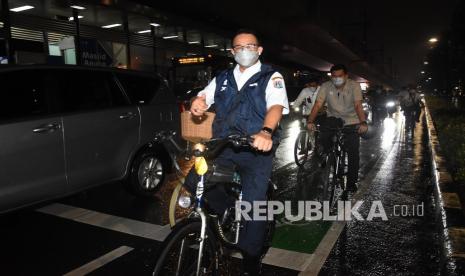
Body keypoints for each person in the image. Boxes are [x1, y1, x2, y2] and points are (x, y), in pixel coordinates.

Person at [190, 29, 289, 275]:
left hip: (256, 148)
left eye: (250, 46)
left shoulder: (271, 76)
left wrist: (266, 132)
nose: (245, 50)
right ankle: (227, 208)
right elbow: (204, 96)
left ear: (259, 50)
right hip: (223, 143)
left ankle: (252, 256)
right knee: (194, 181)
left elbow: (276, 106)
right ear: (233, 52)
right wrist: (198, 102)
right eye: (239, 47)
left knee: (254, 206)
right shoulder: (223, 77)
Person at [307, 64, 368, 192]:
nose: (336, 79)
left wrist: (363, 122)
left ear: (346, 76)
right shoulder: (326, 86)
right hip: (333, 119)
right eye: (334, 76)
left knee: (353, 152)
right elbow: (318, 104)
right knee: (323, 135)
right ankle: (327, 154)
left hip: (352, 120)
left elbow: (358, 105)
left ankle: (352, 181)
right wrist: (310, 121)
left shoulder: (354, 86)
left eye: (339, 76)